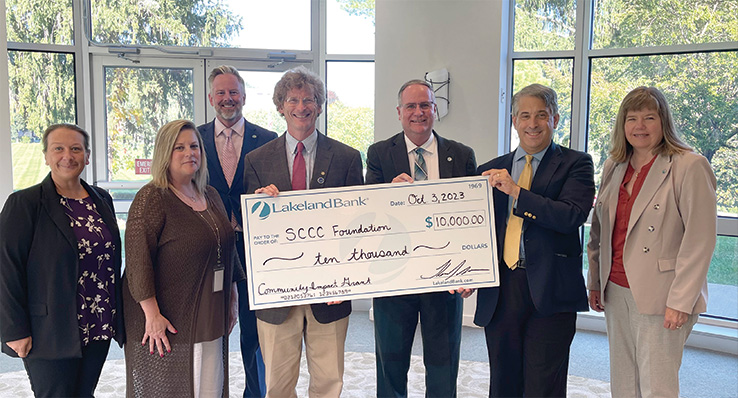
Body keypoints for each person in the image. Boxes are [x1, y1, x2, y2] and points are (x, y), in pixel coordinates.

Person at [587, 86, 717, 397]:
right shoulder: (614, 166)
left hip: (662, 293)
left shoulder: (689, 165)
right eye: (632, 119)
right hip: (616, 288)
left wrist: (681, 301)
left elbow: (700, 240)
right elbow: (599, 230)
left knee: (656, 385)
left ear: (664, 122)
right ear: (623, 125)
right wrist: (595, 281)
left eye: (649, 117)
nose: (639, 127)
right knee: (623, 381)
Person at [243, 66, 363, 398]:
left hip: (331, 291)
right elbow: (252, 229)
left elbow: (358, 225)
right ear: (280, 106)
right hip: (277, 294)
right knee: (278, 384)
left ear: (320, 106)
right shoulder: (256, 160)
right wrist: (256, 206)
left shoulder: (347, 158)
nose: (301, 106)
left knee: (328, 381)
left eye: (309, 99)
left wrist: (349, 277)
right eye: (292, 99)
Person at [474, 83, 595, 397]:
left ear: (555, 119)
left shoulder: (576, 164)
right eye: (524, 115)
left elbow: (570, 216)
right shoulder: (488, 171)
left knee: (543, 385)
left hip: (551, 288)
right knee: (503, 381)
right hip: (501, 290)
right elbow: (476, 232)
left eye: (541, 115)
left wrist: (516, 192)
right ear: (514, 120)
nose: (532, 123)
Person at [365, 79, 477, 398]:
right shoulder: (378, 154)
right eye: (411, 106)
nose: (418, 112)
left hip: (445, 278)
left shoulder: (462, 155)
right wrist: (388, 193)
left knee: (443, 367)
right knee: (391, 365)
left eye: (425, 105)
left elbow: (472, 219)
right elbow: (369, 214)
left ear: (435, 110)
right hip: (393, 278)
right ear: (399, 113)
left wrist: (471, 269)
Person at [0, 123, 125, 397]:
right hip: (49, 328)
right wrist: (13, 329)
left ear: (87, 156)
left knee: (84, 393)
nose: (67, 156)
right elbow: (7, 269)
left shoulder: (101, 199)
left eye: (76, 149)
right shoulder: (24, 203)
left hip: (98, 321)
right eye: (58, 148)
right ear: (46, 155)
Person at [122, 119, 244, 397]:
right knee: (176, 384)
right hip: (171, 314)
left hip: (213, 307)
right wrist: (152, 316)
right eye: (179, 147)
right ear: (165, 152)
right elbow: (138, 262)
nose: (189, 153)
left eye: (194, 146)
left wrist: (233, 298)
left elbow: (228, 247)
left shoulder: (209, 194)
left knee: (211, 382)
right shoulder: (152, 198)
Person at [198, 65, 276, 398]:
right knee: (207, 330)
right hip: (208, 248)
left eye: (233, 93)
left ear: (243, 96)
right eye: (221, 93)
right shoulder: (194, 139)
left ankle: (254, 393)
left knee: (253, 330)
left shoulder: (268, 140)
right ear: (210, 97)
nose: (227, 99)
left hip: (253, 248)